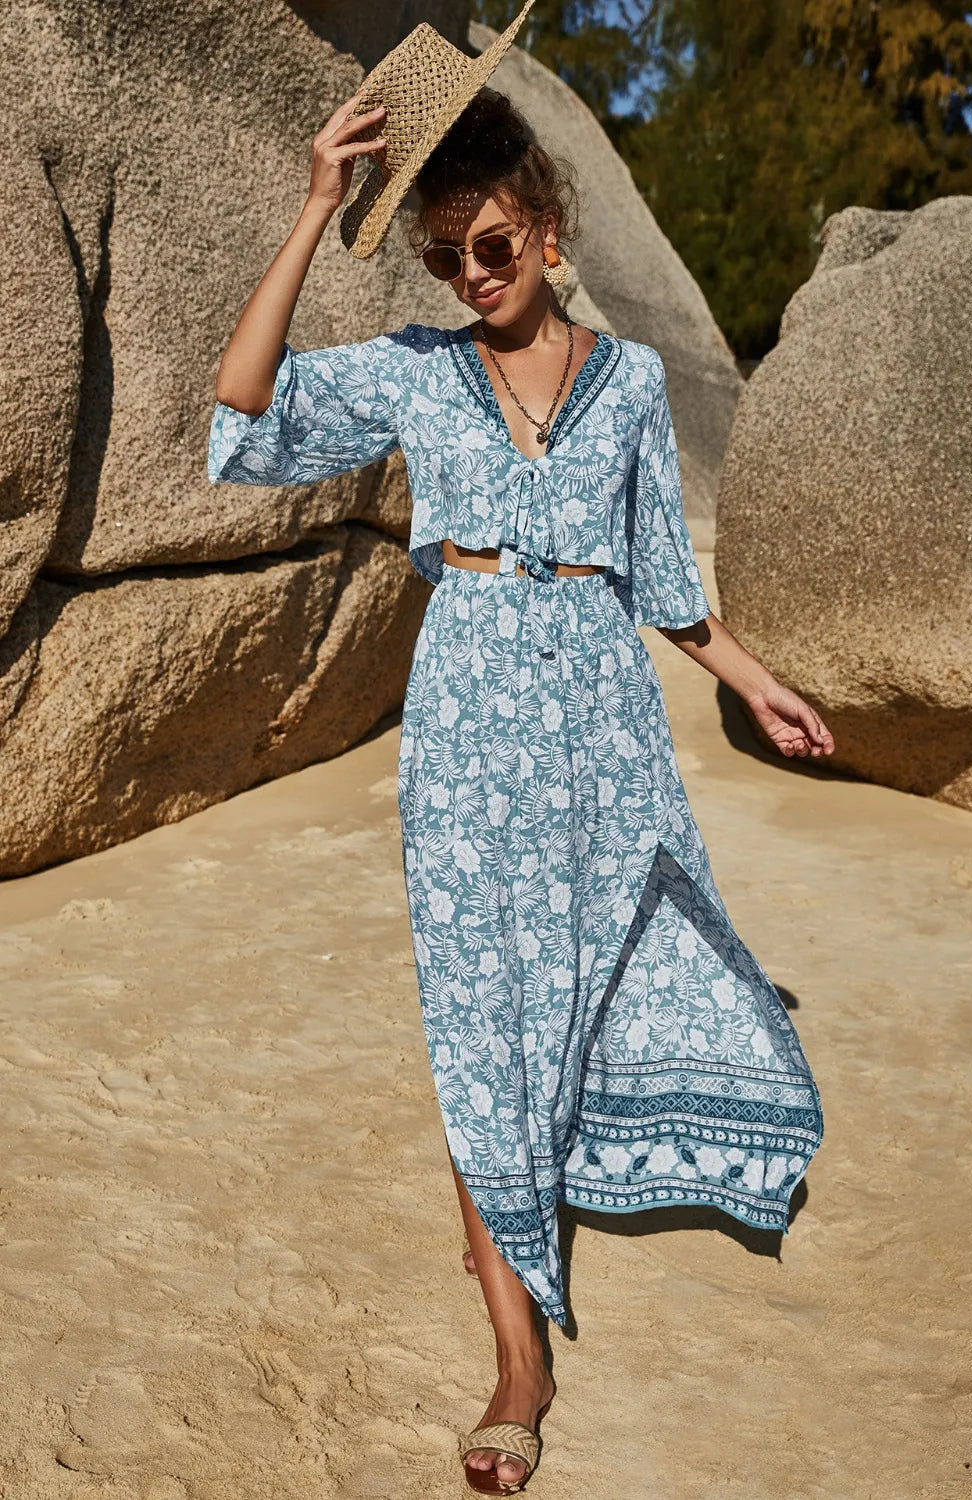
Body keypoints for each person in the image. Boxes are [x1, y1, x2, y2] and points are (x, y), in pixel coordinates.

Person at [208, 56, 832, 1499]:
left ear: (549, 227)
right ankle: (518, 1351)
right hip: (472, 717)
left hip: (603, 722)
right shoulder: (419, 372)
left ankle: (514, 1187)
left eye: (491, 247)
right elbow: (241, 416)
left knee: (615, 957)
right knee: (479, 1008)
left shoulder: (634, 383)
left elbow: (667, 587)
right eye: (444, 258)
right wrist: (316, 210)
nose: (471, 275)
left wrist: (757, 683)